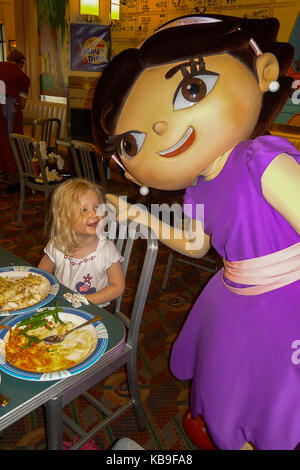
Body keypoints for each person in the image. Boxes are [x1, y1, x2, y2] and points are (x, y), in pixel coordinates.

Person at [91, 14, 300, 450]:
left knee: (277, 403)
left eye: (191, 89)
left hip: (287, 303)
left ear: (263, 73)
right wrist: (139, 217)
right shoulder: (198, 187)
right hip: (234, 298)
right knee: (232, 397)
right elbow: (196, 243)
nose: (161, 128)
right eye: (131, 142)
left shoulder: (259, 159)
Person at [38, 178, 125, 308]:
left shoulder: (106, 250)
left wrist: (84, 300)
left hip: (97, 308)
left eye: (97, 207)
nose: (94, 214)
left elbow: (117, 287)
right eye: (84, 210)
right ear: (63, 221)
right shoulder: (57, 246)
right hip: (63, 305)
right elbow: (42, 273)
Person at [0, 48, 30, 193]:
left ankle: (5, 174)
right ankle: (14, 180)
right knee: (13, 143)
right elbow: (22, 103)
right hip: (11, 113)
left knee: (2, 144)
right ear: (20, 63)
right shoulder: (21, 75)